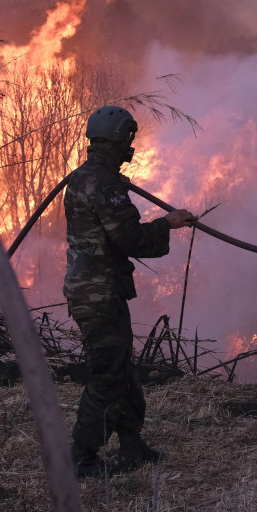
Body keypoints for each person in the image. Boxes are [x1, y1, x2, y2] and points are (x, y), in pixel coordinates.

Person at [63, 106, 196, 477]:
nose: (131, 148)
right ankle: (82, 457)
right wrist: (167, 224)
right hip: (99, 294)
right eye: (129, 140)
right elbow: (131, 238)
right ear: (121, 139)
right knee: (107, 373)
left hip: (91, 290)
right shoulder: (104, 184)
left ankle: (132, 444)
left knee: (121, 368)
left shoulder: (85, 178)